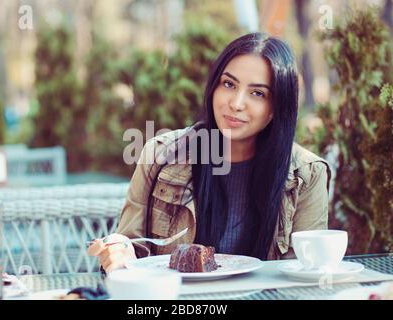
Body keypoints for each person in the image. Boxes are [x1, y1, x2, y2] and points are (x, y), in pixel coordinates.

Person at [88, 32, 331, 274]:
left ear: (276, 107)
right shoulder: (160, 155)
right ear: (213, 87)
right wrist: (120, 251)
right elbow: (130, 247)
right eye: (228, 84)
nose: (236, 103)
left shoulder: (308, 174)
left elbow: (306, 274)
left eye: (258, 93)